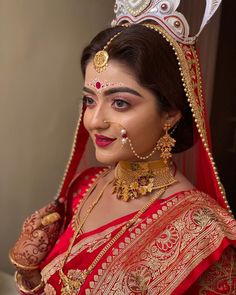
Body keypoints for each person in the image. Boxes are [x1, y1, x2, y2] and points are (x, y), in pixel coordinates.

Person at [9, 1, 236, 294]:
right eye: (90, 100)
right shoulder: (86, 186)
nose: (95, 120)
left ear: (170, 113)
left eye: (120, 103)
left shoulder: (204, 233)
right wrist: (29, 272)